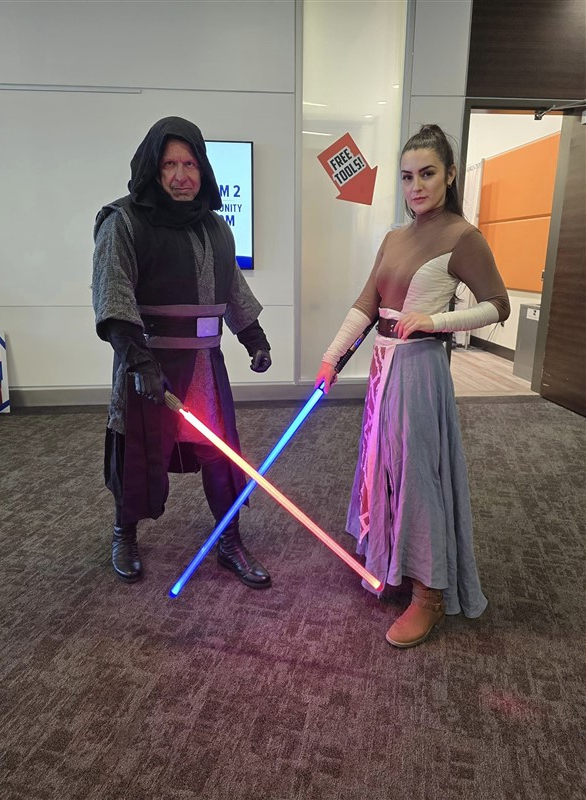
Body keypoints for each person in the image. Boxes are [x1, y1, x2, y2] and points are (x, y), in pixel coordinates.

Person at [315, 124, 510, 648]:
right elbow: (367, 304)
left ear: (450, 175)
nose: (416, 186)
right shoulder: (394, 238)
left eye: (427, 174)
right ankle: (391, 561)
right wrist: (332, 358)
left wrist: (435, 321)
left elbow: (498, 305)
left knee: (418, 474)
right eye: (407, 177)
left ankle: (430, 595)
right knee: (382, 465)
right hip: (384, 368)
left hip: (421, 371)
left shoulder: (462, 237)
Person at [92, 116, 272, 589]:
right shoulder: (123, 222)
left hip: (205, 365)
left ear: (202, 168)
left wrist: (254, 337)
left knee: (219, 452)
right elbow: (114, 295)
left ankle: (229, 540)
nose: (180, 176)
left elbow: (232, 288)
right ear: (153, 169)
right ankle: (124, 534)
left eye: (189, 164)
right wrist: (139, 361)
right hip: (147, 366)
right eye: (169, 165)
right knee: (135, 450)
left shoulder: (216, 228)